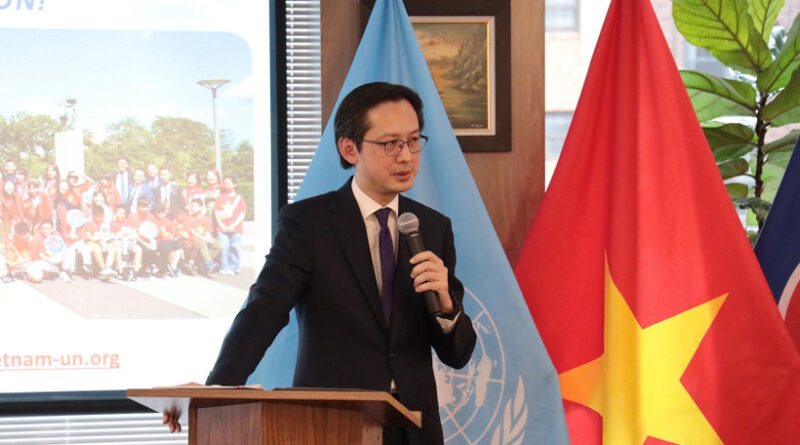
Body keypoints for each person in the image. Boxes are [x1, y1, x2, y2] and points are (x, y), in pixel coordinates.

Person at [165, 83, 477, 444]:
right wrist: (215, 390)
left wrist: (447, 305)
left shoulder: (432, 228)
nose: (406, 156)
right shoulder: (308, 224)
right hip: (332, 425)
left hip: (414, 430)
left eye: (412, 141)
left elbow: (458, 355)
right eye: (391, 144)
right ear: (350, 148)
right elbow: (264, 310)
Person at [212, 176, 246, 275]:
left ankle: (234, 267)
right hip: (222, 228)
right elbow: (216, 212)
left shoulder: (239, 198)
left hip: (236, 228)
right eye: (225, 183)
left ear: (235, 184)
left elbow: (242, 214)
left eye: (228, 183)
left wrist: (233, 225)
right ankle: (224, 267)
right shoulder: (220, 197)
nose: (226, 185)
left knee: (235, 247)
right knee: (223, 247)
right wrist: (221, 225)